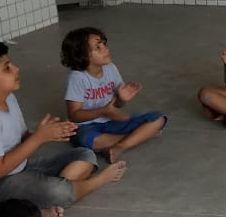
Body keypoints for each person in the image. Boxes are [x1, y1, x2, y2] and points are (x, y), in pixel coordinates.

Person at [0, 40, 126, 217]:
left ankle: (35, 202)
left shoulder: (8, 97)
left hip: (17, 169)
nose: (16, 69)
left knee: (85, 154)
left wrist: (51, 133)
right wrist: (40, 137)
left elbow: (22, 138)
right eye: (7, 68)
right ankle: (93, 182)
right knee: (59, 191)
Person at [61, 26, 167, 161]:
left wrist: (122, 100)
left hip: (110, 122)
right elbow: (74, 115)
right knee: (86, 139)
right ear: (81, 56)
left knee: (158, 118)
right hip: (86, 126)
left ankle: (119, 146)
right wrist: (102, 112)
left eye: (104, 44)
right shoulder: (77, 78)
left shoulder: (110, 68)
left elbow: (116, 105)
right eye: (98, 47)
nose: (105, 49)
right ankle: (140, 136)